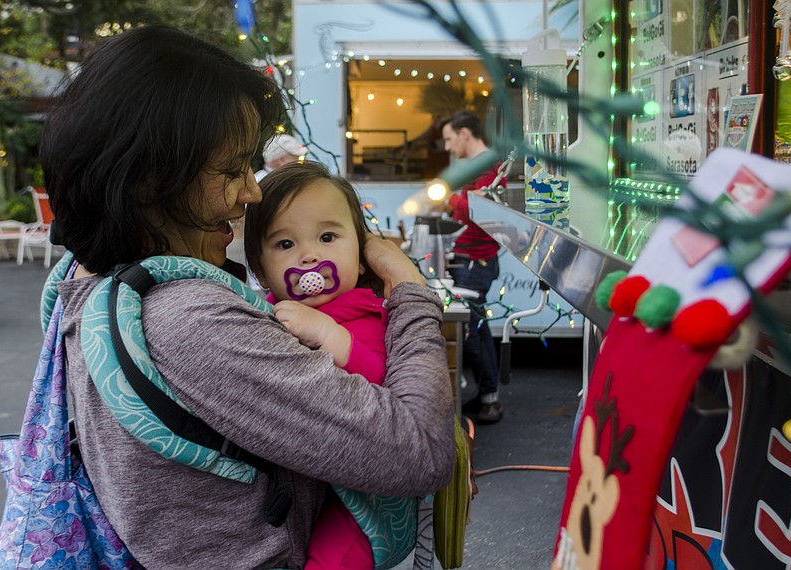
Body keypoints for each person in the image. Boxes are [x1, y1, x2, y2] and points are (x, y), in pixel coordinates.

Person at [40, 25, 454, 568]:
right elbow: (418, 452)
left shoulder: (87, 280)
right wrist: (410, 291)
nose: (252, 192)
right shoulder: (192, 323)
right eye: (233, 169)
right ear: (151, 179)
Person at [245, 160, 389, 568]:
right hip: (295, 479)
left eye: (327, 237)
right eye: (285, 244)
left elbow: (388, 392)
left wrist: (331, 337)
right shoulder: (261, 314)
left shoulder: (367, 313)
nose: (309, 256)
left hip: (363, 498)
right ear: (260, 269)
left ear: (361, 258)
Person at [440, 110, 505, 424]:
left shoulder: (489, 166)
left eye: (450, 139)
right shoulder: (483, 167)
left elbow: (478, 209)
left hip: (476, 262)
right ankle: (487, 395)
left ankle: (490, 399)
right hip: (471, 259)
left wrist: (451, 201)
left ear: (465, 133)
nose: (449, 148)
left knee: (473, 331)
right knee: (475, 328)